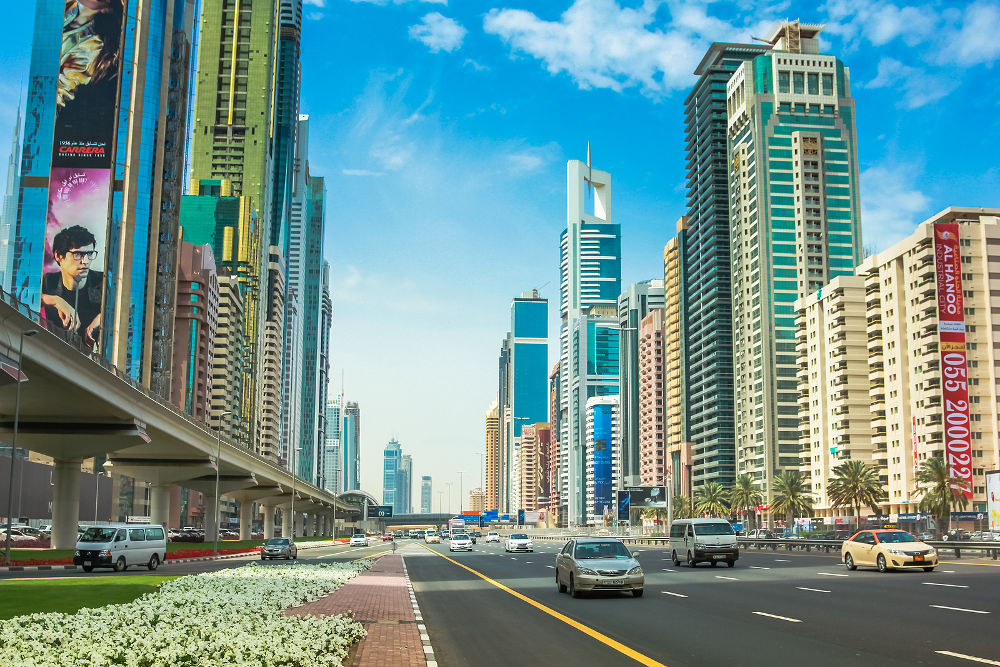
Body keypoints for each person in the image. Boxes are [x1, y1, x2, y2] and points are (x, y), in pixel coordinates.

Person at [41, 225, 103, 351]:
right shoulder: (49, 282)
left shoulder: (103, 282)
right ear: (59, 256)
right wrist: (56, 301)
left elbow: (125, 309)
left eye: (89, 253)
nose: (85, 261)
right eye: (78, 254)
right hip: (55, 353)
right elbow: (24, 294)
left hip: (95, 361)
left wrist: (102, 318)